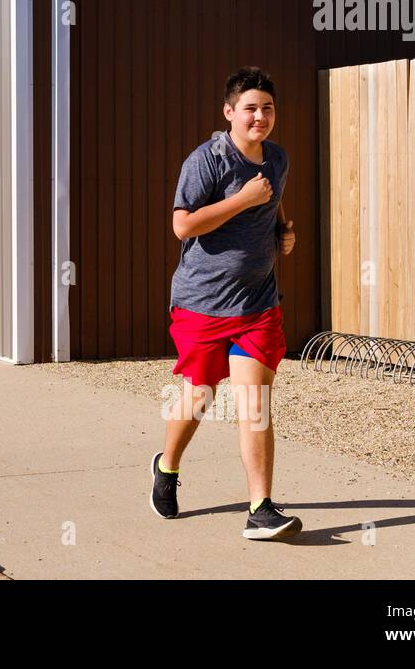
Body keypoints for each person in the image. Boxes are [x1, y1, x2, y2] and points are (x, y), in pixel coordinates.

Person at [150, 66, 300, 540]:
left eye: (268, 108)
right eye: (251, 108)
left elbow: (273, 200)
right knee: (200, 397)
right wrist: (243, 198)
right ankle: (167, 465)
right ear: (230, 112)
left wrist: (283, 229)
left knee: (254, 401)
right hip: (203, 304)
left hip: (257, 305)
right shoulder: (207, 161)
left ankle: (261, 509)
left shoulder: (276, 159)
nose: (260, 117)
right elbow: (183, 226)